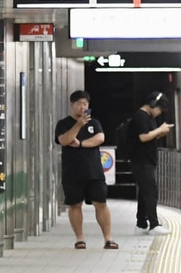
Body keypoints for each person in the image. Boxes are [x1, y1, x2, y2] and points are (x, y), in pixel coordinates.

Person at [55, 90, 118, 249]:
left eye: (85, 104)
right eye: (79, 104)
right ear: (72, 105)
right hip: (72, 172)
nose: (83, 107)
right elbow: (64, 140)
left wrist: (81, 144)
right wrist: (78, 125)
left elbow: (100, 139)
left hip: (94, 171)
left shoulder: (94, 123)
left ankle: (108, 238)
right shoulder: (63, 124)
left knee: (101, 203)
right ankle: (80, 238)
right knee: (75, 204)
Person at [132, 91, 173, 234]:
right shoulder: (140, 117)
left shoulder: (147, 117)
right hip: (141, 162)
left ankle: (141, 223)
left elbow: (150, 135)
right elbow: (143, 137)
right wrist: (160, 130)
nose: (159, 113)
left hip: (147, 160)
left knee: (144, 193)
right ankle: (154, 225)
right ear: (153, 104)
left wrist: (160, 133)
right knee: (150, 192)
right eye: (159, 109)